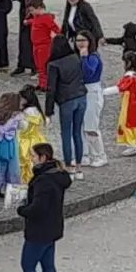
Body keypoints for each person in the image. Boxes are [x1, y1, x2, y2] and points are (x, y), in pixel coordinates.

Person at [13, 143, 71, 272]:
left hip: (38, 230)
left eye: (33, 156)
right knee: (48, 265)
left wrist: (21, 210)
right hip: (53, 227)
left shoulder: (43, 181)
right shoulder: (58, 175)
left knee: (28, 265)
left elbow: (37, 208)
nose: (31, 159)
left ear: (42, 158)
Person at [43, 35, 88, 176]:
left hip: (66, 100)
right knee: (77, 132)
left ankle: (69, 166)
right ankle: (79, 166)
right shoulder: (75, 58)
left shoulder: (53, 65)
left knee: (66, 134)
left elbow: (51, 89)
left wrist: (48, 110)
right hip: (81, 96)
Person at [75, 32, 108, 168]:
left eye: (83, 40)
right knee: (82, 126)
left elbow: (89, 73)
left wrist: (84, 58)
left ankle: (100, 155)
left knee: (91, 126)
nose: (80, 43)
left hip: (92, 92)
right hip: (81, 92)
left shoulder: (93, 57)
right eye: (78, 40)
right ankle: (86, 155)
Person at [9, 0, 48, 76]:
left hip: (34, 20)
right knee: (23, 43)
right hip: (24, 20)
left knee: (33, 43)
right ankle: (21, 65)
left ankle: (34, 66)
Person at [110, 51, 136, 155]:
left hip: (129, 103)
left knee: (126, 123)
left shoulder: (129, 77)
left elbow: (120, 88)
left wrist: (102, 92)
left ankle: (132, 145)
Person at [25, 0, 60, 90]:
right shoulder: (37, 17)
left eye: (32, 10)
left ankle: (45, 84)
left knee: (43, 65)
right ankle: (41, 83)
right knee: (38, 65)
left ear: (39, 8)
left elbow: (55, 28)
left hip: (44, 45)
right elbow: (35, 21)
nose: (31, 13)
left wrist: (60, 37)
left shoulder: (46, 18)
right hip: (36, 45)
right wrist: (29, 21)